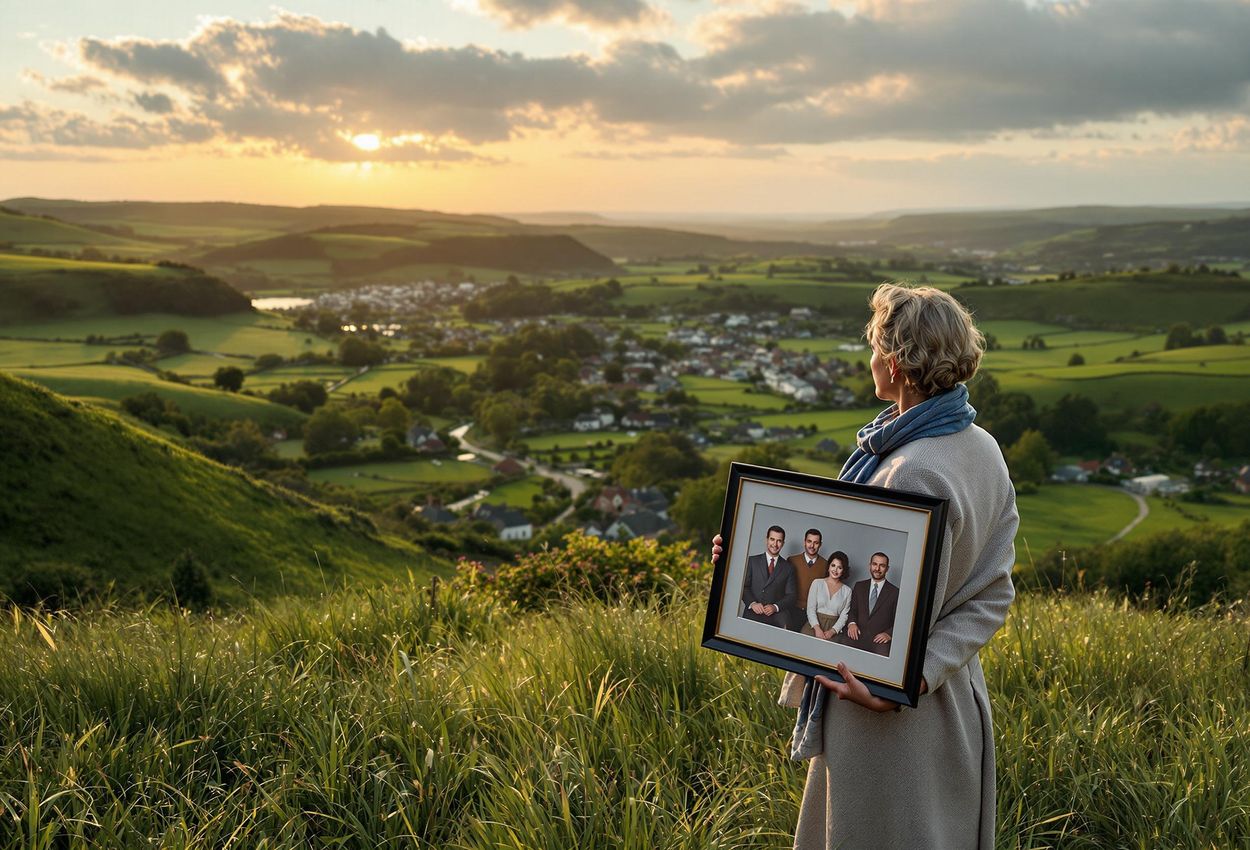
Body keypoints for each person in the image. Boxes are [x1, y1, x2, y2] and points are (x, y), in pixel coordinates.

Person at [712, 282, 1018, 849]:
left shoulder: (909, 471)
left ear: (897, 363)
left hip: (883, 720)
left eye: (876, 347)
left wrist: (906, 680)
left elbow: (843, 579)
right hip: (949, 703)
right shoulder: (981, 447)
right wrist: (743, 566)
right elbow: (993, 594)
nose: (870, 360)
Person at [739, 525, 797, 628]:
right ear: (767, 540)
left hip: (775, 617)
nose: (775, 544)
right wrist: (752, 604)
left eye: (779, 541)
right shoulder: (752, 561)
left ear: (783, 543)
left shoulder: (788, 568)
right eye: (772, 539)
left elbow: (791, 596)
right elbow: (744, 586)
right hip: (753, 612)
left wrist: (775, 607)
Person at [842, 552, 899, 656]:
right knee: (842, 652)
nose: (877, 569)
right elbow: (852, 610)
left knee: (883, 659)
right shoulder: (859, 586)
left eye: (882, 565)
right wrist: (852, 624)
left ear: (887, 569)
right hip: (857, 635)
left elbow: (899, 621)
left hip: (878, 641)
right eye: (875, 564)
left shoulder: (895, 592)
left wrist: (889, 634)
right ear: (870, 565)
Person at [787, 529, 829, 632]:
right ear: (804, 542)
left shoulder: (826, 565)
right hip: (792, 610)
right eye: (809, 541)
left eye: (816, 543)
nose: (812, 546)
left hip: (814, 613)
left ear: (820, 544)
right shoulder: (792, 560)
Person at [803, 550, 851, 640]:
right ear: (828, 566)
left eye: (839, 567)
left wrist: (832, 631)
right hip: (814, 624)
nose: (835, 570)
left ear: (843, 570)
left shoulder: (847, 591)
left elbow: (844, 616)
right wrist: (817, 629)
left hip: (833, 628)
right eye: (833, 565)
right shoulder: (817, 583)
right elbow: (810, 609)